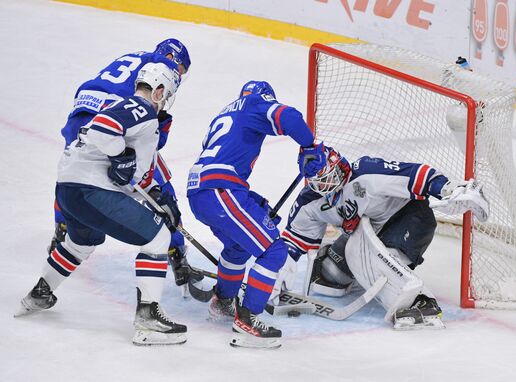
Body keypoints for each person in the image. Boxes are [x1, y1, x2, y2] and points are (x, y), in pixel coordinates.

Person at [16, 62, 188, 346]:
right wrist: (121, 154)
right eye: (166, 94)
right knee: (158, 239)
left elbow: (130, 175)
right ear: (157, 91)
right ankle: (148, 319)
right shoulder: (142, 108)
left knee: (81, 242)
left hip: (69, 188)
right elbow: (102, 128)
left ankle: (40, 292)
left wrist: (159, 199)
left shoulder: (131, 111)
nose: (165, 101)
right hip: (90, 190)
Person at [273, 146, 489, 330]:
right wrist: (277, 272)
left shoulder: (366, 172)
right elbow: (295, 240)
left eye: (328, 179)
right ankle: (371, 272)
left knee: (380, 268)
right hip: (369, 230)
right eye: (318, 183)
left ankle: (420, 302)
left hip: (410, 218)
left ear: (339, 167)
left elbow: (417, 174)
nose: (325, 187)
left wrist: (448, 190)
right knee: (332, 272)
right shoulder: (310, 202)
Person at [186, 80, 326, 348]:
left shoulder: (225, 113)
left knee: (238, 247)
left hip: (201, 190)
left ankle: (224, 302)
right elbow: (290, 117)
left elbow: (223, 158)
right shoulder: (254, 103)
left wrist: (252, 202)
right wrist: (309, 146)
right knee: (274, 251)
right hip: (220, 189)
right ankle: (249, 319)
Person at [47, 39, 192, 289]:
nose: (177, 77)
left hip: (83, 111)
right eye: (180, 71)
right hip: (111, 114)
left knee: (76, 167)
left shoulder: (134, 57)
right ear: (173, 58)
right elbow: (152, 138)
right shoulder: (162, 66)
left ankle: (62, 226)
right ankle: (175, 250)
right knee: (158, 175)